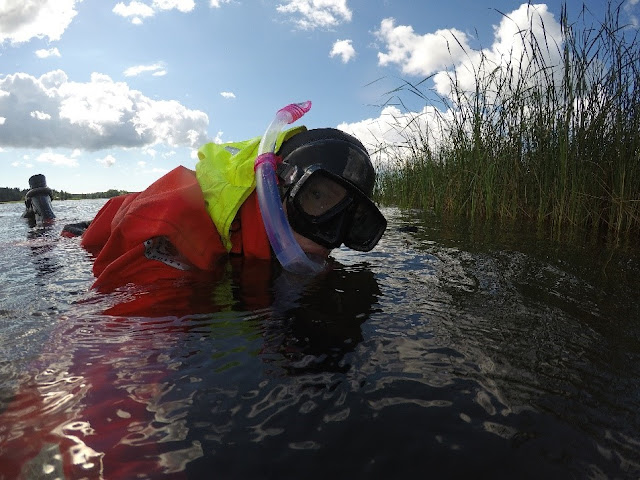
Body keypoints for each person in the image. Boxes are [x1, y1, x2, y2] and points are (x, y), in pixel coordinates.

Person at [71, 125, 387, 291]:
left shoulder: (274, 246)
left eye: (350, 219)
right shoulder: (178, 239)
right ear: (273, 187)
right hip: (96, 230)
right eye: (316, 196)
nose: (329, 234)